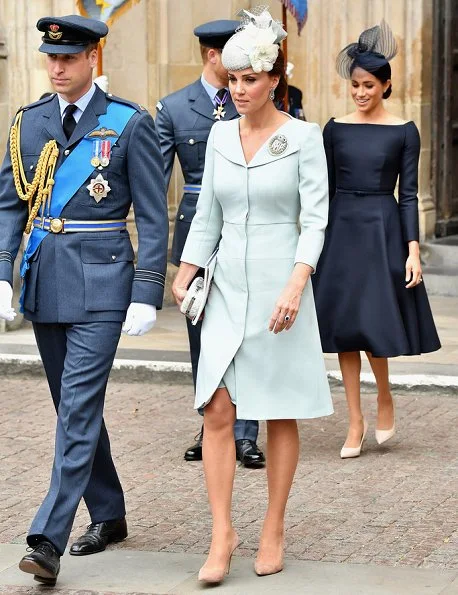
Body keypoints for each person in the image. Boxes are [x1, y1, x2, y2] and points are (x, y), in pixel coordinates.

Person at [0, 15, 168, 585]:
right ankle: (111, 511)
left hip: (103, 283)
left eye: (68, 58)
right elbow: (9, 206)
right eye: (51, 58)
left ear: (93, 56)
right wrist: (3, 275)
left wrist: (147, 290)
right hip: (46, 279)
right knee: (73, 407)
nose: (57, 68)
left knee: (76, 405)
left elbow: (150, 212)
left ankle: (48, 537)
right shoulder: (30, 121)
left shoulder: (126, 122)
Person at [172, 7, 333, 584]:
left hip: (279, 285)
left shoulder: (302, 138)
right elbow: (206, 216)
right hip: (225, 289)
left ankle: (273, 526)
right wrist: (186, 270)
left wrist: (297, 282)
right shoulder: (218, 135)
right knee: (217, 407)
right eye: (233, 79)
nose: (239, 89)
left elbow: (315, 219)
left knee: (276, 408)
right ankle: (222, 533)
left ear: (273, 79)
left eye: (250, 79)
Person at [312, 21, 441, 459]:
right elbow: (322, 191)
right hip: (340, 230)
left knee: (371, 325)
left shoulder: (404, 130)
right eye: (355, 85)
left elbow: (408, 195)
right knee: (346, 329)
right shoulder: (333, 128)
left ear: (386, 85)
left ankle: (384, 395)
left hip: (382, 229)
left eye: (369, 85)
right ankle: (354, 420)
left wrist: (413, 250)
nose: (361, 92)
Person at [156, 20, 265, 468]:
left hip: (249, 226)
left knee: (250, 331)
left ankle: (247, 431)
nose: (240, 71)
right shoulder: (174, 107)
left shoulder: (259, 102)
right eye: (231, 57)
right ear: (211, 55)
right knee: (202, 333)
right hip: (196, 227)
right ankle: (212, 423)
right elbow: (155, 181)